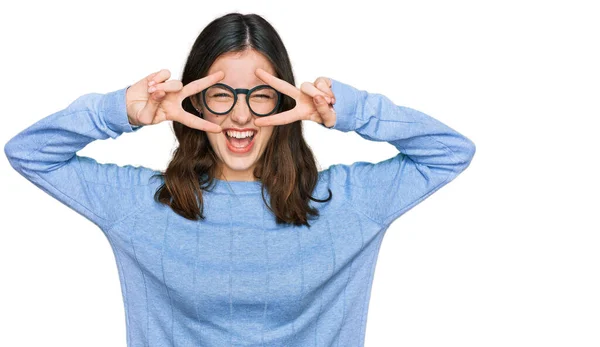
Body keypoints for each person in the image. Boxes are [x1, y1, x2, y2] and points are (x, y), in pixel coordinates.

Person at [4, 12, 476, 347]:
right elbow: (29, 153)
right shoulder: (139, 204)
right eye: (220, 94)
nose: (242, 115)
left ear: (286, 101)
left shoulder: (349, 203)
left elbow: (450, 152)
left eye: (262, 95)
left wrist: (348, 111)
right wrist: (121, 111)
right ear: (194, 102)